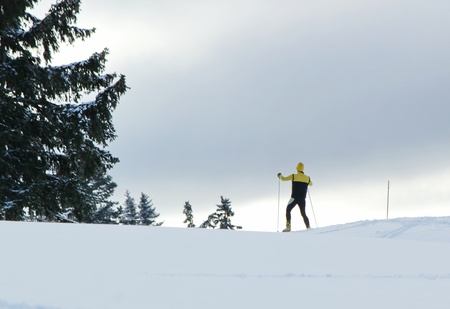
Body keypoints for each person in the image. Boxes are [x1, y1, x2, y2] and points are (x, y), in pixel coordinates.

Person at [277, 162, 313, 232]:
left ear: (297, 168)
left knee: (288, 210)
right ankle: (308, 227)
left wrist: (280, 175)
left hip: (294, 198)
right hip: (302, 199)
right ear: (303, 169)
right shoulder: (307, 178)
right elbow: (311, 184)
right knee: (303, 213)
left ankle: (288, 227)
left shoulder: (294, 176)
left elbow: (283, 179)